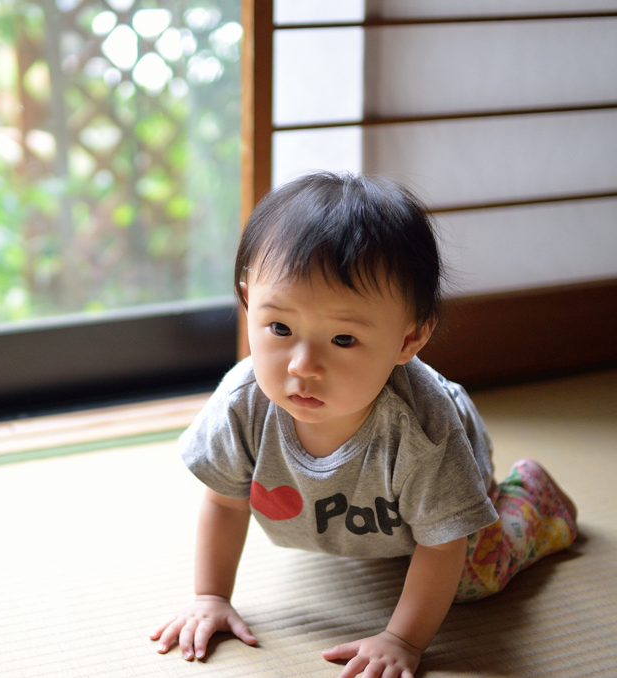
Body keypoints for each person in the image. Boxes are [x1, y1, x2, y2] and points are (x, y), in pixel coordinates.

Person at [150, 172, 578, 678]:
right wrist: (211, 596)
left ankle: (530, 495)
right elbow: (224, 502)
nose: (302, 365)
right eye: (280, 328)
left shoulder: (423, 428)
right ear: (248, 303)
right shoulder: (242, 403)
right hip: (350, 515)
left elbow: (441, 546)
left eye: (344, 340)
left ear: (408, 340)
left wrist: (402, 640)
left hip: (443, 509)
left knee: (470, 578)